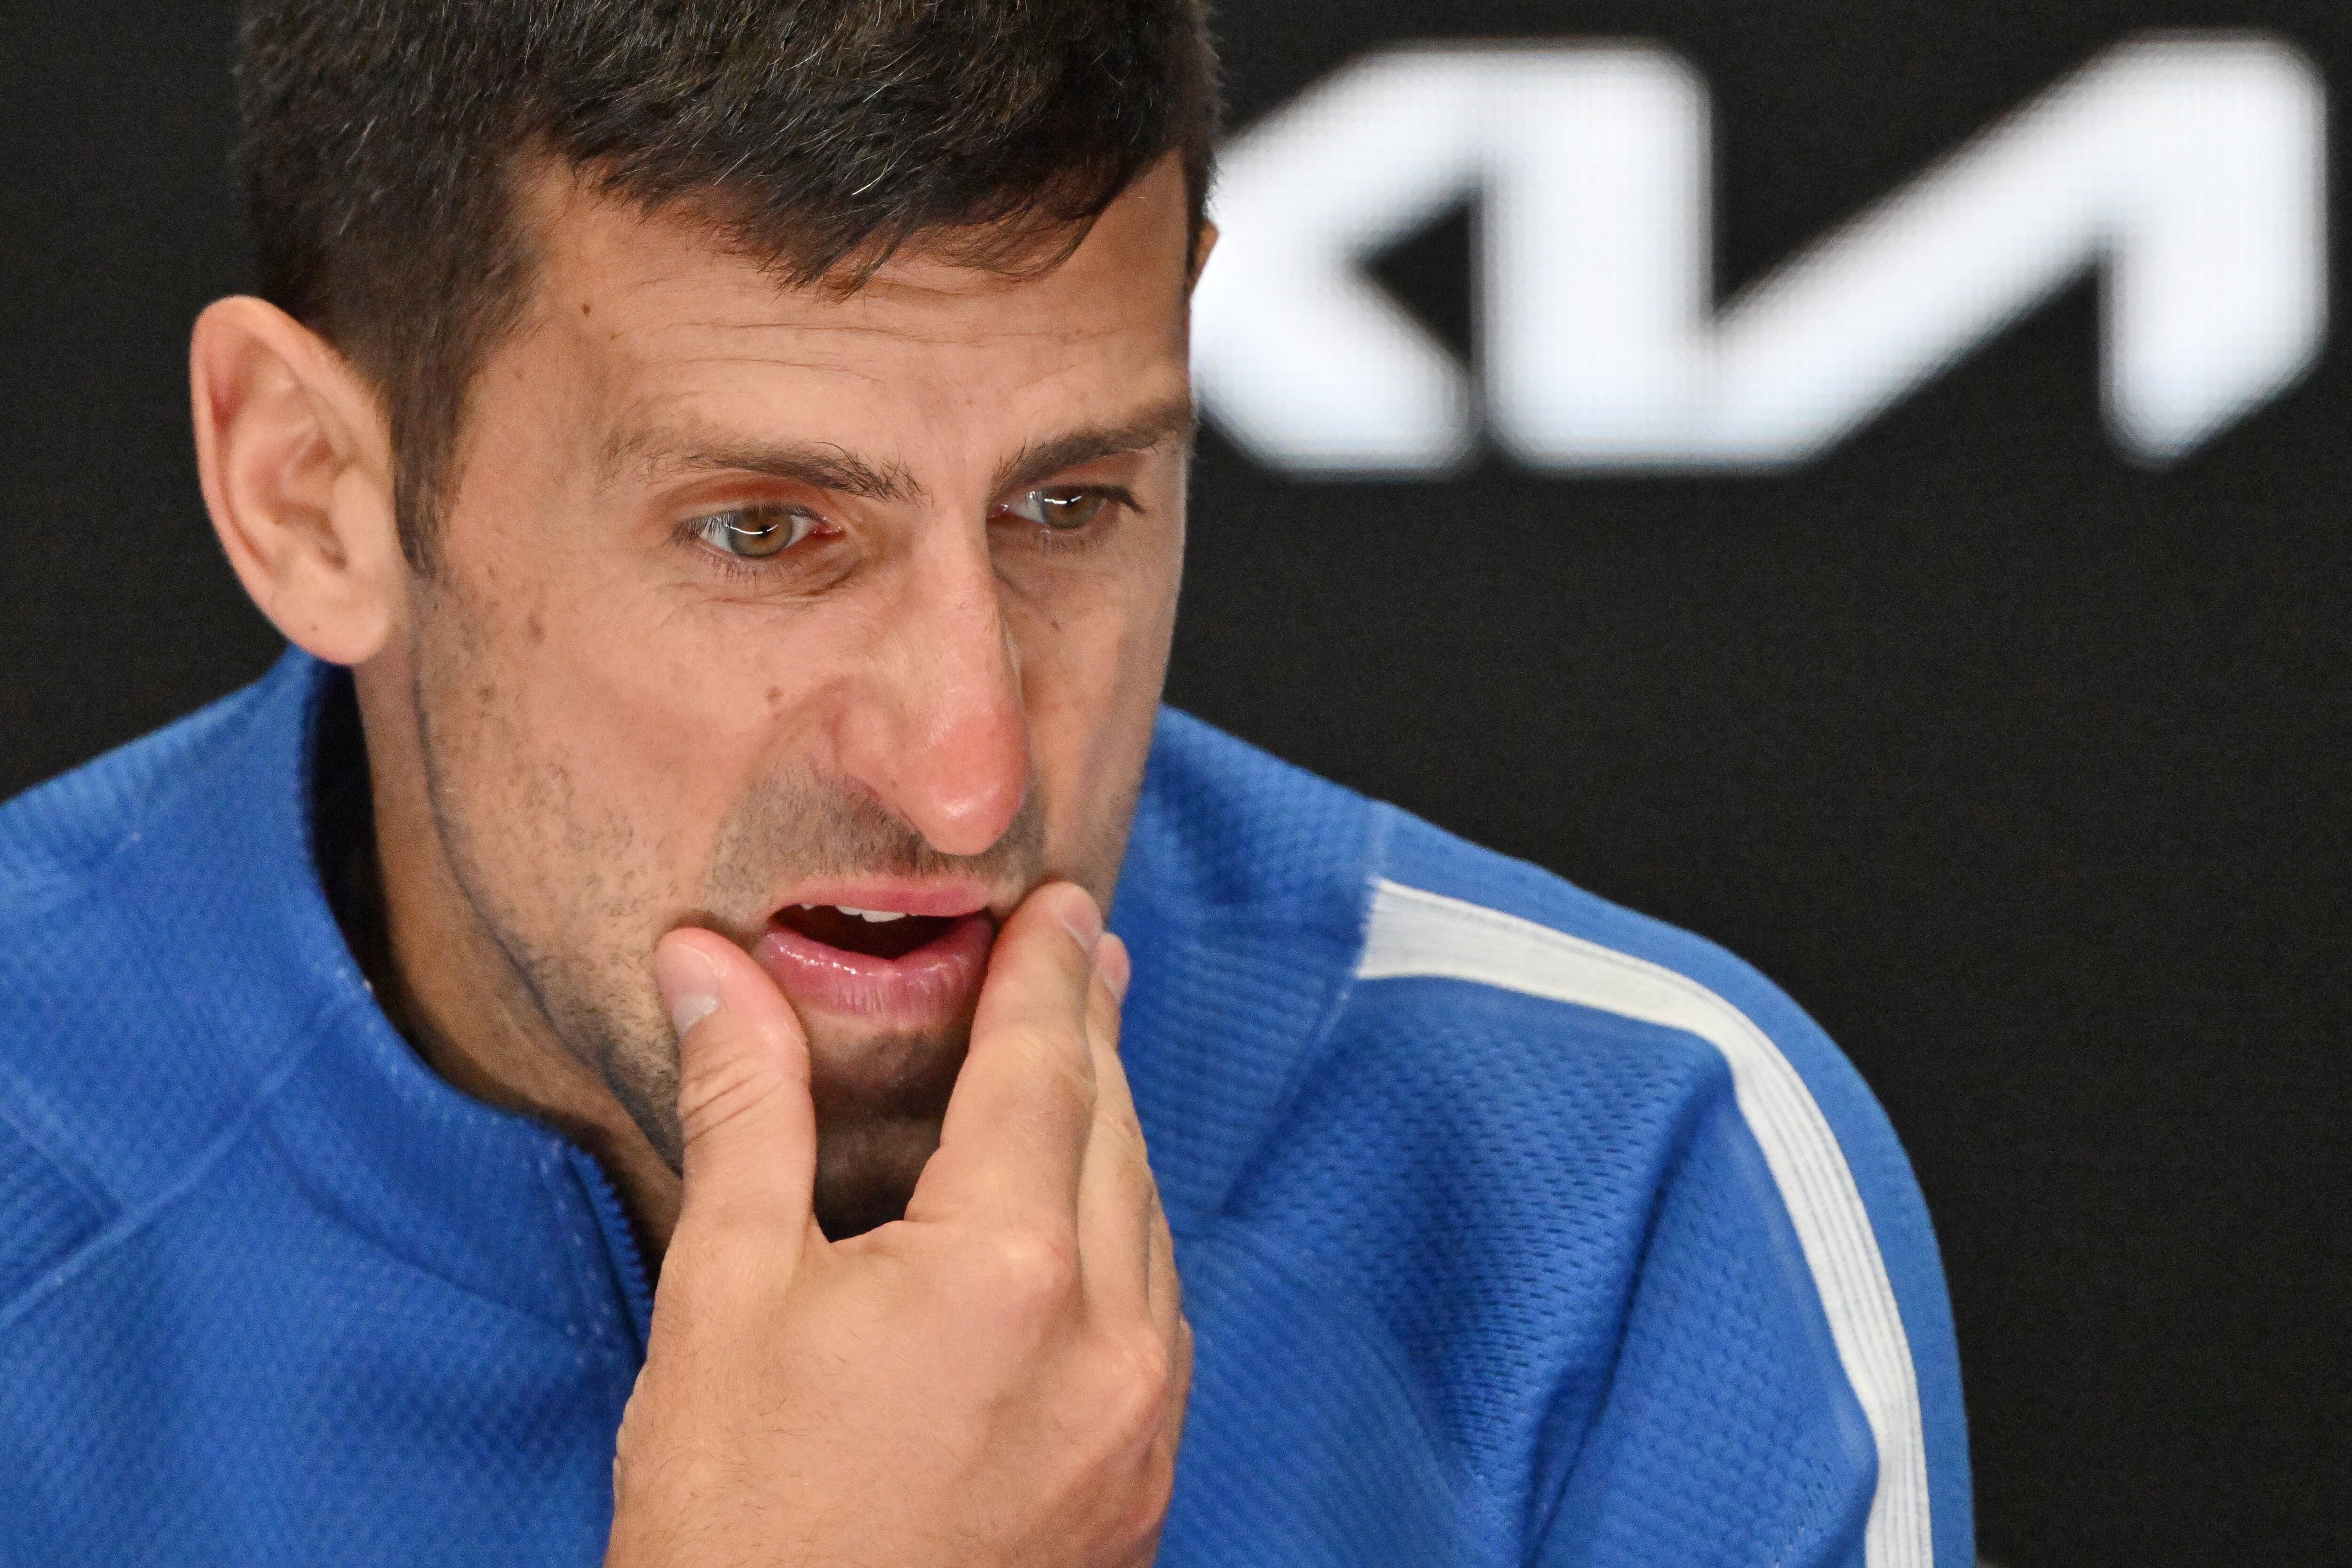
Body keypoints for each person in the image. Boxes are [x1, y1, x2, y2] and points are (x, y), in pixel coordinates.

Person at [0, 1, 1971, 1563]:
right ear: (308, 492)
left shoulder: (1614, 1198)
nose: (971, 772)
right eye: (762, 532)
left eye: (1067, 503)